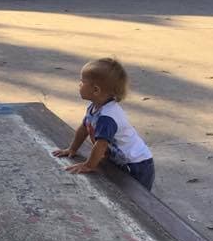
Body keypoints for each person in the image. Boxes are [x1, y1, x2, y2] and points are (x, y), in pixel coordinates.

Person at [52, 57, 154, 190]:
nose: (79, 85)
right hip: (121, 160)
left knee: (137, 199)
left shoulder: (107, 117)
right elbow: (84, 128)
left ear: (96, 90)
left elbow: (101, 145)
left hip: (137, 164)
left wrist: (89, 165)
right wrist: (72, 149)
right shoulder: (94, 106)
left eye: (82, 82)